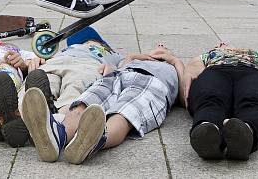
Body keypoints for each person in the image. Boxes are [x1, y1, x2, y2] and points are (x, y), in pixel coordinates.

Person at [21, 42, 185, 165]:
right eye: (158, 45)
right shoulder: (134, 59)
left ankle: (96, 138)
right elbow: (118, 64)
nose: (160, 45)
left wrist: (175, 60)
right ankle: (57, 135)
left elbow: (185, 92)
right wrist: (132, 57)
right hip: (118, 76)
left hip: (151, 83)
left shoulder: (172, 67)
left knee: (124, 113)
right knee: (84, 103)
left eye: (165, 47)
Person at [183, 42, 258, 161]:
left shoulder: (256, 56)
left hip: (253, 72)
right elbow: (194, 69)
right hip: (217, 70)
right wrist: (195, 88)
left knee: (254, 96)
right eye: (219, 44)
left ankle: (246, 133)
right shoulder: (209, 55)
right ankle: (206, 132)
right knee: (210, 94)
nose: (222, 42)